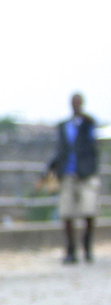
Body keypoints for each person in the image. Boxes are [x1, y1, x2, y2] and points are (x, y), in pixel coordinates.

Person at [45, 93, 99, 264]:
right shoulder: (63, 126)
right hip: (67, 174)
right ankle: (71, 250)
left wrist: (90, 169)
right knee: (66, 214)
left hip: (86, 175)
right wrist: (49, 170)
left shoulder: (88, 124)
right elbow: (60, 150)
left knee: (89, 211)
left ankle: (87, 246)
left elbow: (93, 147)